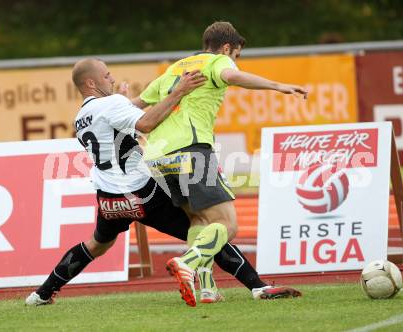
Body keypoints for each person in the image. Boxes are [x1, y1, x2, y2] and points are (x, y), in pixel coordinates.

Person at [25, 58, 301, 306]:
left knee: (96, 245)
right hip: (140, 192)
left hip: (109, 197)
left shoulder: (81, 117)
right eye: (107, 75)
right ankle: (256, 286)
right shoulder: (111, 104)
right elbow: (146, 124)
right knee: (205, 225)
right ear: (91, 82)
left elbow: (118, 126)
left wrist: (123, 100)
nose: (111, 78)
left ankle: (42, 294)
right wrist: (179, 91)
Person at [132, 21, 308, 306]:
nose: (235, 62)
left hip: (157, 158)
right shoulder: (217, 62)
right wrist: (278, 86)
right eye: (236, 55)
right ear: (228, 48)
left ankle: (208, 289)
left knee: (199, 219)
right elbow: (231, 76)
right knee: (227, 223)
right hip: (190, 150)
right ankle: (187, 262)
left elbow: (134, 104)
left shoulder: (173, 69)